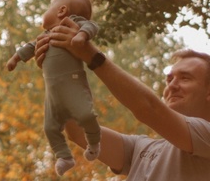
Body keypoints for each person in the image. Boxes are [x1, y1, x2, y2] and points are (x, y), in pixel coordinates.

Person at [34, 18, 210, 180]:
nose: (172, 85)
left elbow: (149, 109)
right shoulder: (141, 148)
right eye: (169, 79)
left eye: (185, 78)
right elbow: (78, 132)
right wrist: (56, 69)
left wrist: (90, 54)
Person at [6, 0, 101, 176]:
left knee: (86, 115)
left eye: (49, 7)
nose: (45, 12)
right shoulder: (46, 35)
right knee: (50, 127)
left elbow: (91, 25)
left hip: (72, 81)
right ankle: (64, 156)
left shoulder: (69, 24)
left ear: (62, 11)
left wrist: (81, 35)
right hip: (52, 90)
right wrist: (15, 58)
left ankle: (94, 143)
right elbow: (31, 46)